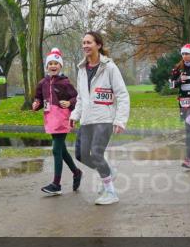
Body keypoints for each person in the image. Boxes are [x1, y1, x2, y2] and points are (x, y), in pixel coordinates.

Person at [70, 31, 130, 205]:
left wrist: (120, 120)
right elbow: (81, 96)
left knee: (96, 154)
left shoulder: (109, 67)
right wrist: (75, 115)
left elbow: (122, 95)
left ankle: (111, 192)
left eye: (89, 42)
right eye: (84, 43)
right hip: (87, 119)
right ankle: (109, 170)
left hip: (104, 118)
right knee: (81, 155)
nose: (85, 46)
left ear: (99, 45)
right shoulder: (81, 68)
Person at [32, 48, 83, 195]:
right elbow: (39, 98)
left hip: (62, 118)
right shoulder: (42, 83)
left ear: (60, 66)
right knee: (62, 150)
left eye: (56, 63)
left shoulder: (65, 82)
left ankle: (56, 184)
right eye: (50, 64)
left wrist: (69, 102)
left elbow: (76, 98)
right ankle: (76, 172)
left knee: (56, 149)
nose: (53, 66)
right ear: (47, 67)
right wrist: (36, 104)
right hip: (50, 119)